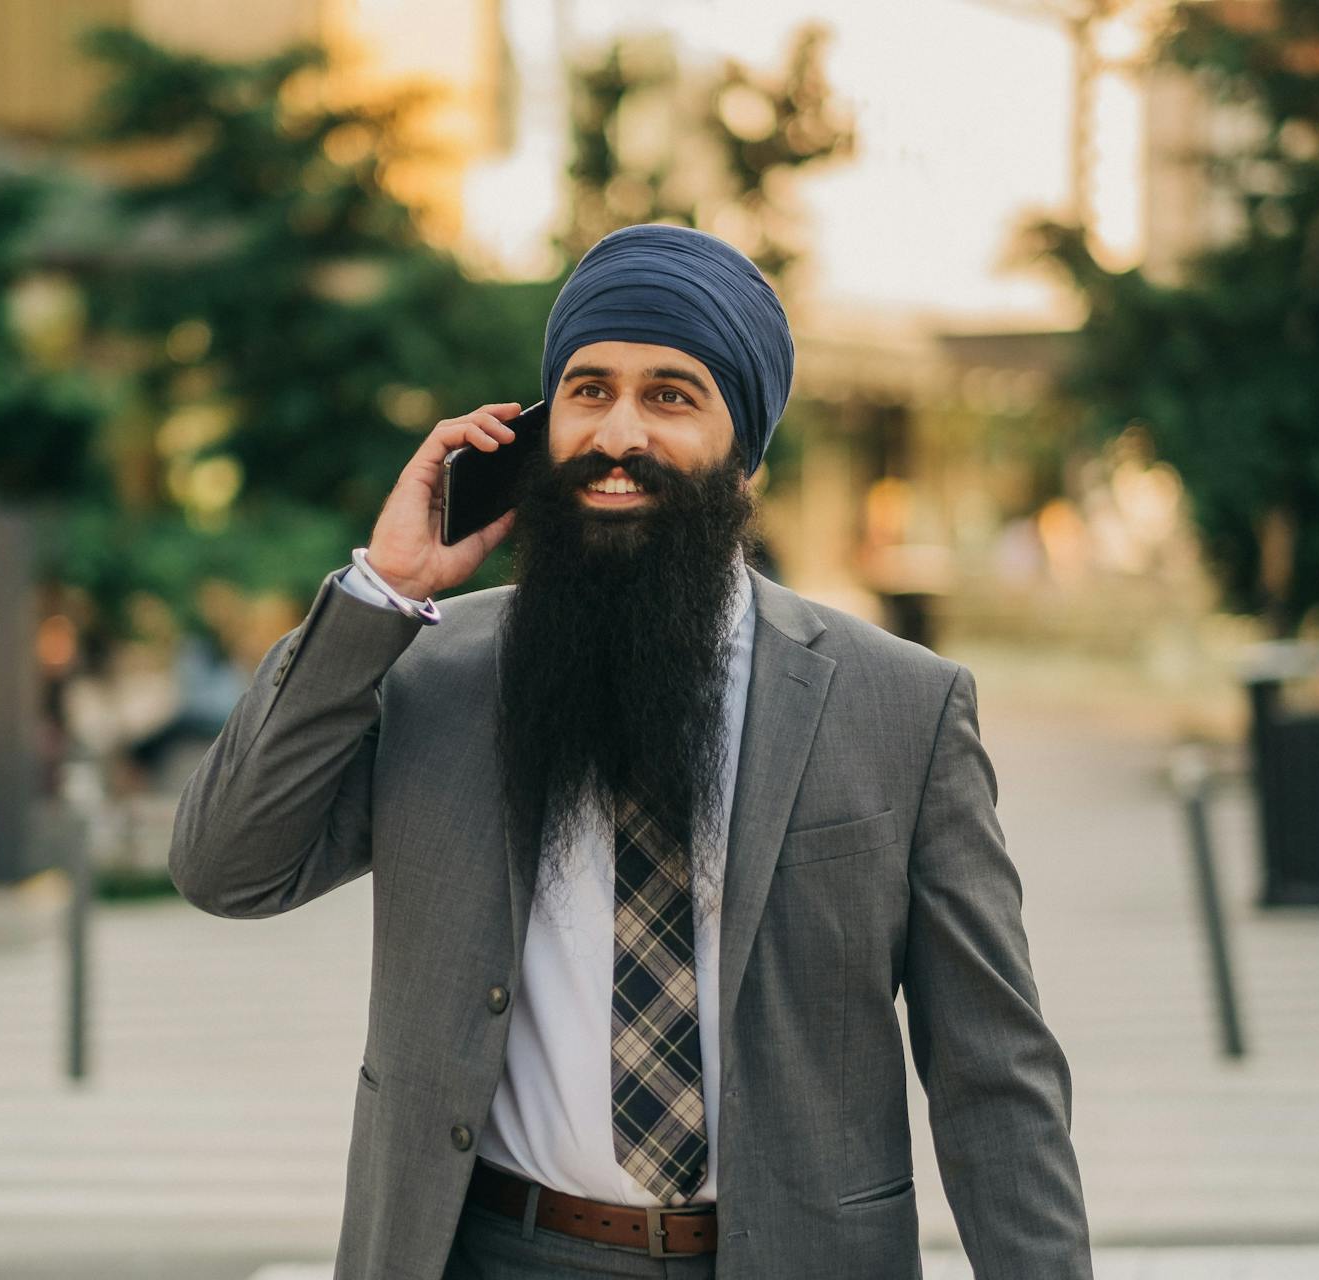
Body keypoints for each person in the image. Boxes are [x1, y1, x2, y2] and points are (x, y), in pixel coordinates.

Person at [170, 223, 1093, 1279]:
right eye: (588, 389)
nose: (619, 432)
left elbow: (994, 1076)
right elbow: (226, 867)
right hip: (489, 1251)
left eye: (671, 395)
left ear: (744, 456)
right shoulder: (434, 670)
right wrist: (381, 593)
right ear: (537, 429)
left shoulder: (902, 708)